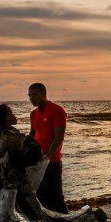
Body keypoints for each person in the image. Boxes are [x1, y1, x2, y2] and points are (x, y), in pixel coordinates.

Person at [28, 82, 68, 213]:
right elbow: (32, 135)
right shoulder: (33, 114)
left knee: (56, 196)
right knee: (40, 195)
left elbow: (58, 138)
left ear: (43, 94)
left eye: (34, 95)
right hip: (36, 161)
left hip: (52, 161)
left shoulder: (57, 111)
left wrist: (47, 157)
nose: (31, 98)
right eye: (29, 95)